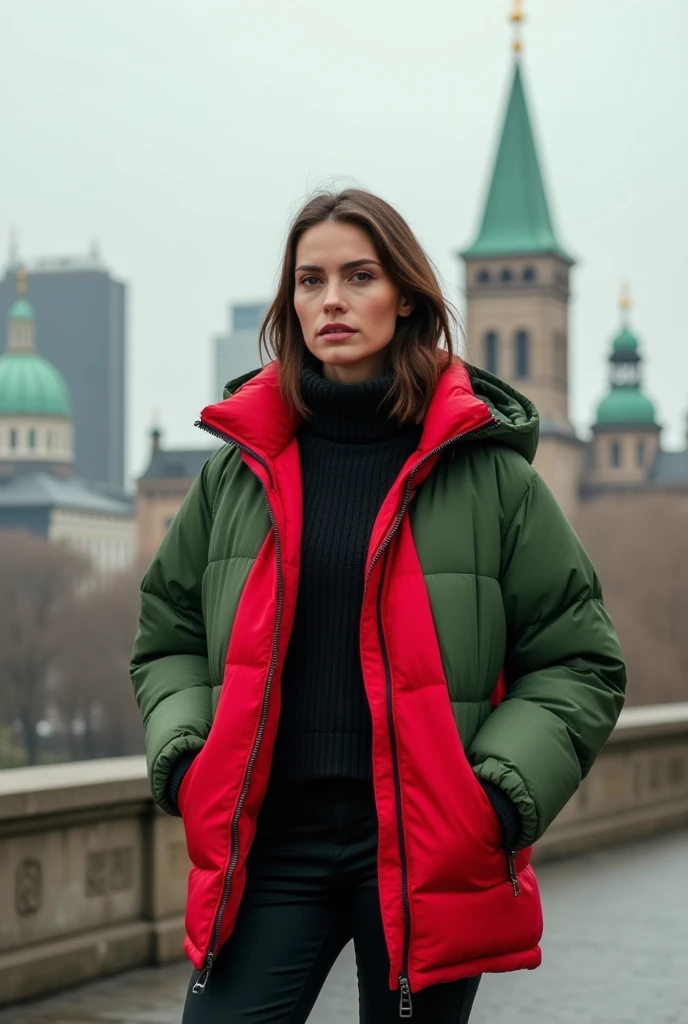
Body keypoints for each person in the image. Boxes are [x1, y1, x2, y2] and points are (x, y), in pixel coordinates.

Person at [130, 188, 626, 1023]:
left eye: (358, 276)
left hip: (423, 844)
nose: (331, 300)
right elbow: (168, 635)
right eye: (309, 280)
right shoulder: (235, 472)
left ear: (406, 297)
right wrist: (188, 758)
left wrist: (496, 795)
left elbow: (581, 659)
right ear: (288, 303)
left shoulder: (489, 474)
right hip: (272, 845)